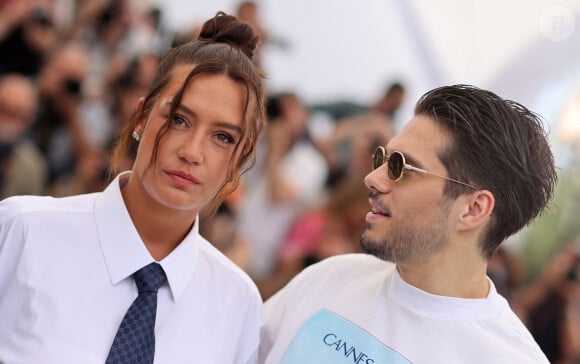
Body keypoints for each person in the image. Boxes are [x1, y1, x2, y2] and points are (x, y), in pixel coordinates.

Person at [0, 11, 266, 364]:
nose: (192, 152)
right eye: (179, 120)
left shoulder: (237, 303)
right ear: (141, 117)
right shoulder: (24, 231)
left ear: (241, 155)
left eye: (222, 137)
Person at [260, 84, 557, 363]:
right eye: (381, 158)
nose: (372, 178)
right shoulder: (331, 277)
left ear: (472, 208)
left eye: (400, 167)